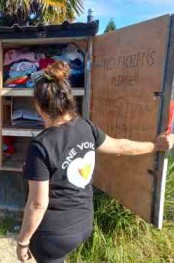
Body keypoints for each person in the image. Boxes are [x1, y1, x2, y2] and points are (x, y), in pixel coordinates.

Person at [16, 61, 174, 263]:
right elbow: (120, 147)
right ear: (67, 100)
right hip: (83, 224)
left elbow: (38, 203)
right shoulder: (85, 127)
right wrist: (155, 146)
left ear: (39, 107)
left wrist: (23, 242)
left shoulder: (40, 145)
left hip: (54, 234)